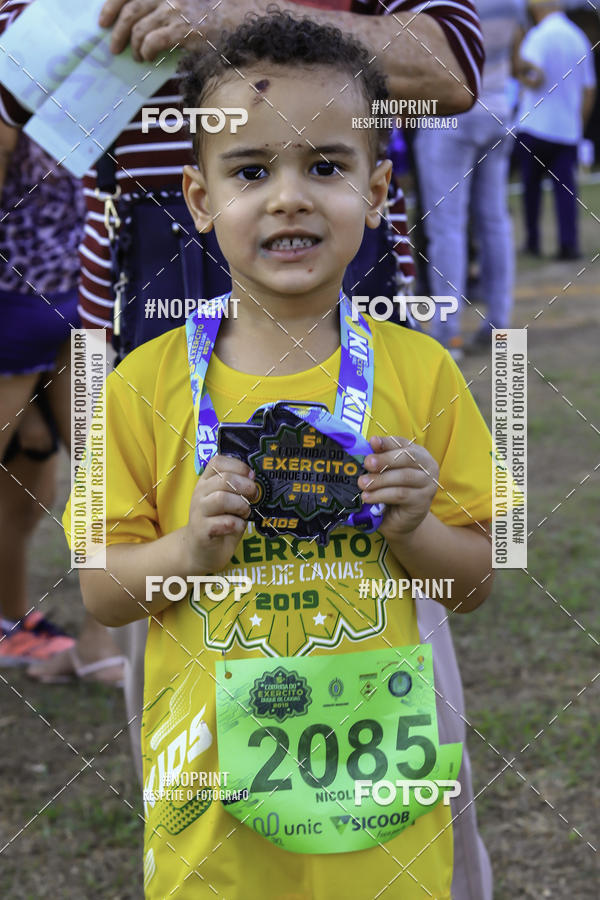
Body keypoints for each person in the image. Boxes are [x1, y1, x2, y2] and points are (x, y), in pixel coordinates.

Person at [66, 14, 495, 898]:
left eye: (326, 166)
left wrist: (416, 530)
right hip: (216, 825)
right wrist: (187, 551)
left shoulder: (423, 370)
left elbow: (478, 578)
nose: (289, 196)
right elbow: (103, 594)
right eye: (251, 171)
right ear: (198, 198)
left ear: (378, 191)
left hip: (384, 808)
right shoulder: (142, 387)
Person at [0, 124, 123, 682]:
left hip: (86, 297)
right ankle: (14, 624)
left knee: (97, 475)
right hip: (16, 304)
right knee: (42, 479)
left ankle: (97, 642)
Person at [413, 0, 526, 357]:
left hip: (450, 113)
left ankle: (448, 332)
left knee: (446, 226)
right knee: (494, 221)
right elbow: (517, 46)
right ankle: (500, 320)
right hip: (498, 108)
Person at [516, 0, 596, 260]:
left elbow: (532, 75)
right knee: (566, 190)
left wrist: (521, 72)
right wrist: (578, 124)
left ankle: (533, 241)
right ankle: (568, 244)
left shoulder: (537, 36)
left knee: (531, 190)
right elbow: (589, 88)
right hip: (566, 129)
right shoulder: (578, 37)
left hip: (534, 125)